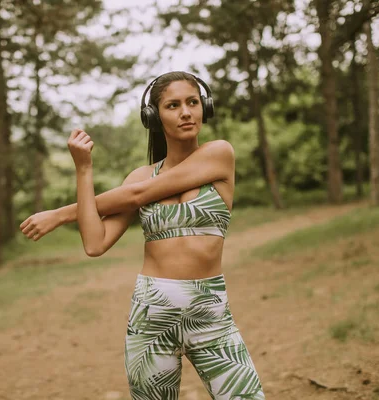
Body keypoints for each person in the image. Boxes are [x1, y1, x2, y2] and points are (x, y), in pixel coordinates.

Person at [19, 71, 265, 400]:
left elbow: (137, 196)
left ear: (205, 107)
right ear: (153, 116)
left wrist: (60, 213)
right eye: (173, 105)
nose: (186, 112)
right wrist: (84, 169)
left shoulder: (219, 154)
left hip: (210, 314)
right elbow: (95, 243)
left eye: (193, 102)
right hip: (151, 316)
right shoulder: (139, 176)